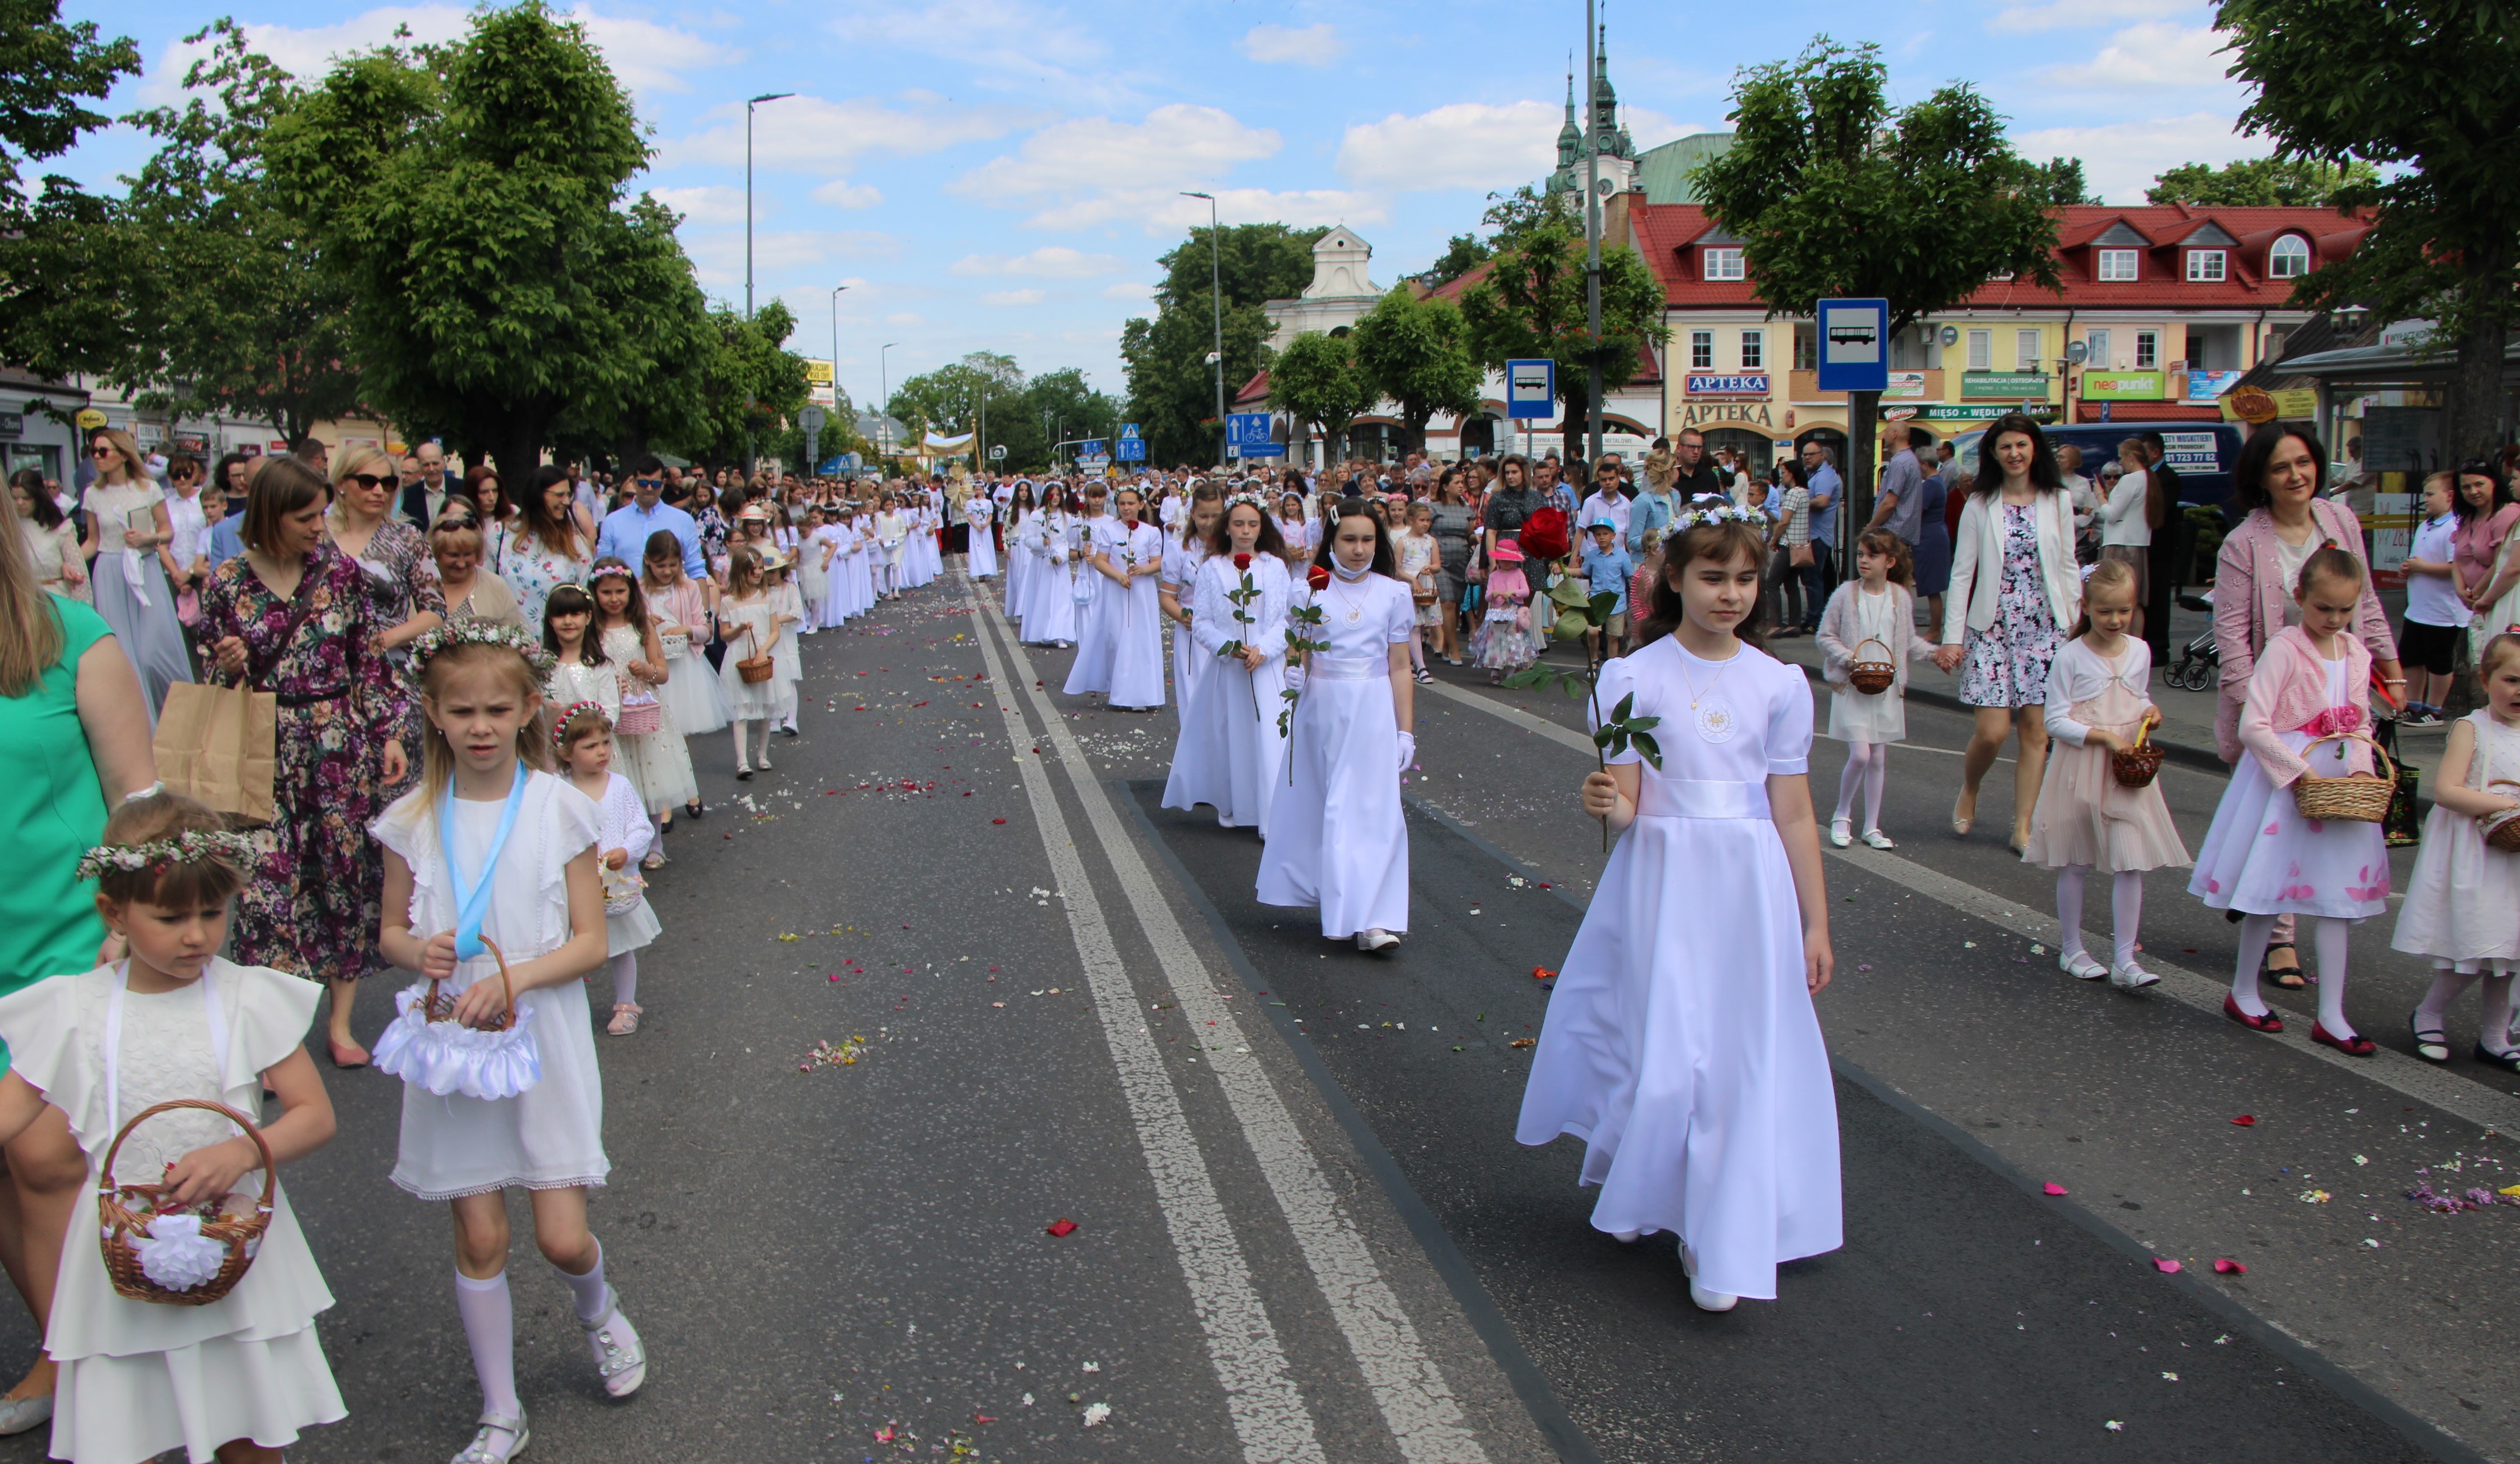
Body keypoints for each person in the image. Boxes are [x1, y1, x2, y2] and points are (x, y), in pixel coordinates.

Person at [1516, 503, 1839, 1314]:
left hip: (1747, 890)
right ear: (1675, 582)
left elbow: (1793, 810)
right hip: (1663, 881)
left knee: (1731, 1057)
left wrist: (1815, 919)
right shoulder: (1633, 676)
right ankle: (1646, 1182)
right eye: (1712, 577)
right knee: (1664, 1048)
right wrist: (1605, 801)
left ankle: (1712, 1229)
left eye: (1742, 578)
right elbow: (1628, 805)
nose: (1729, 593)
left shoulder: (1778, 684)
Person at [370, 623, 644, 1464]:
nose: (481, 725)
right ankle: (499, 1407)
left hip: (541, 1034)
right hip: (453, 1038)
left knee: (562, 1235)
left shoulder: (559, 804)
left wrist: (514, 979)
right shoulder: (413, 816)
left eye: (497, 707)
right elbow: (387, 930)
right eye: (462, 710)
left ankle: (598, 1309)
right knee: (479, 1233)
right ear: (434, 712)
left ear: (531, 706)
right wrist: (419, 953)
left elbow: (593, 941)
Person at [0, 793, 343, 1463]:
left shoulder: (247, 996)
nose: (197, 935)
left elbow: (314, 1115)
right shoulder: (73, 1009)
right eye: (171, 916)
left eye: (212, 913)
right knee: (127, 1433)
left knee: (247, 1432)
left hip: (232, 1245)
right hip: (119, 1260)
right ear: (114, 913)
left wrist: (243, 1148)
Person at [0, 505, 158, 1430]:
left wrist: (129, 925)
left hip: (63, 942)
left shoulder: (74, 639)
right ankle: (63, 1355)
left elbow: (137, 800)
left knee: (45, 1153)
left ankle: (112, 1388)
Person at [201, 456, 409, 1069]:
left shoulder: (339, 574)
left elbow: (365, 660)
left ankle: (340, 1023)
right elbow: (207, 678)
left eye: (321, 513)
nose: (318, 525)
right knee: (267, 896)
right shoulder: (229, 582)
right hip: (259, 745)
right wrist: (227, 662)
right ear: (269, 515)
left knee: (342, 880)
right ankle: (275, 1040)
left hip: (334, 746)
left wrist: (388, 732)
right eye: (304, 516)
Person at [2209, 422, 2402, 996]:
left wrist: (2388, 668)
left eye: (2303, 463)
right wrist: (2263, 709)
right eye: (2280, 467)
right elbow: (2233, 636)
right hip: (2277, 707)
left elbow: (2362, 604)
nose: (2296, 475)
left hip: (2337, 700)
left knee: (2315, 822)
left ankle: (2287, 911)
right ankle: (2280, 935)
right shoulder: (2244, 542)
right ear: (2261, 479)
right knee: (2279, 827)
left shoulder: (2339, 521)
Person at [2190, 546, 2390, 1053]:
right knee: (2268, 888)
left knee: (2338, 898)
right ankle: (2242, 991)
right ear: (2300, 597)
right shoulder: (2285, 647)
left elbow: (2361, 719)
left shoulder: (2357, 653)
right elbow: (2254, 724)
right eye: (2325, 608)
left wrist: (2362, 770)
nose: (2335, 619)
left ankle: (2332, 1014)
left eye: (2346, 609)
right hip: (2287, 782)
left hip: (2339, 784)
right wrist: (2298, 773)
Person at [1258, 499, 1416, 952]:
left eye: (1368, 540)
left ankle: (1373, 918)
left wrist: (1405, 729)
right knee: (1329, 806)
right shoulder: (1308, 589)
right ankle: (1338, 899)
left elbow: (1400, 665)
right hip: (1323, 707)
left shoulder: (1393, 593)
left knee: (1374, 809)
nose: (1359, 549)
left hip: (1371, 707)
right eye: (1349, 539)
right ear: (1331, 540)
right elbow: (1299, 647)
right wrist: (1295, 670)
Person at [2023, 560, 2190, 990]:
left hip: (2125, 771)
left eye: (2125, 610)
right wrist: (2103, 737)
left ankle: (2125, 959)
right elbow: (2055, 722)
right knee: (2076, 861)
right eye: (2105, 612)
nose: (2116, 620)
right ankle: (2072, 947)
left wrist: (2149, 713)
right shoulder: (2070, 656)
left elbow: (2138, 697)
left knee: (2130, 861)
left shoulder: (2139, 650)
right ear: (2087, 607)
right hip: (2083, 767)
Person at [1934, 414, 2081, 853]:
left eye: (2021, 444)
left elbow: (2069, 564)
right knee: (1993, 731)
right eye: (2005, 447)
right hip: (1992, 626)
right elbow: (1963, 573)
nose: (2015, 454)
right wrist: (1952, 636)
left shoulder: (2058, 499)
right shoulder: (1981, 503)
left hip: (2046, 625)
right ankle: (1971, 787)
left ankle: (2023, 824)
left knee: (2037, 731)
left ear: (2035, 448)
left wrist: (2076, 623)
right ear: (1994, 454)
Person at [2393, 632, 2520, 1071]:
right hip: (2478, 854)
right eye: (2511, 679)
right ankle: (2428, 1012)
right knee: (2473, 949)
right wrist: (2508, 804)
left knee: (2509, 953)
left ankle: (2495, 1036)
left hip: (2515, 858)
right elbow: (2447, 791)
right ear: (2486, 680)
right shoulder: (2472, 727)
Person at [1163, 496, 1294, 831]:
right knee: (1231, 737)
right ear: (1227, 527)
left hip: (1264, 666)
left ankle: (1270, 817)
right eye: (1238, 523)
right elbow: (1202, 620)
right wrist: (1230, 646)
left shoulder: (1274, 567)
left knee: (1267, 737)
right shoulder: (1212, 568)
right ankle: (1234, 804)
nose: (1246, 531)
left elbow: (1284, 619)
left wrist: (1263, 649)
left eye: (1252, 524)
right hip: (1228, 669)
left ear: (1262, 527)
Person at [1814, 531, 1936, 850]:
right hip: (1854, 686)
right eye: (1860, 555)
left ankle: (1872, 826)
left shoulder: (1900, 597)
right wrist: (1848, 659)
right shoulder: (1845, 593)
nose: (1863, 561)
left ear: (1890, 562)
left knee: (1879, 758)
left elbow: (1907, 641)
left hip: (1885, 687)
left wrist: (1935, 653)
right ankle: (1842, 815)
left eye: (1871, 555)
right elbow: (1825, 636)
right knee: (1861, 754)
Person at [550, 701, 659, 1037]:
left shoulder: (620, 787)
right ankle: (567, 1010)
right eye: (590, 746)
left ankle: (626, 1004)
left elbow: (642, 828)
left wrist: (626, 851)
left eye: (605, 743)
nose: (602, 752)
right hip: (572, 885)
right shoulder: (558, 790)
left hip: (615, 886)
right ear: (566, 753)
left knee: (621, 946)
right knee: (567, 948)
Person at [77, 429, 194, 723]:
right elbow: (93, 540)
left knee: (153, 651)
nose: (98, 457)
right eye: (94, 451)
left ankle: (178, 717)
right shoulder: (93, 493)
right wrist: (68, 563)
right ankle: (140, 726)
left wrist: (148, 537)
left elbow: (167, 530)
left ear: (122, 454)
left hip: (145, 568)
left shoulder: (147, 488)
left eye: (104, 451)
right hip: (110, 572)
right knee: (123, 656)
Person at [589, 560, 695, 859]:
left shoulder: (642, 625)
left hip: (643, 709)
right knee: (622, 778)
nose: (613, 598)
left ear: (631, 590)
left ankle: (656, 844)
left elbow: (662, 673)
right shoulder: (593, 628)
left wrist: (645, 669)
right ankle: (620, 844)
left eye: (620, 591)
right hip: (611, 712)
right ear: (595, 593)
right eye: (606, 592)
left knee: (651, 778)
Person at [2395, 472, 2468, 729]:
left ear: (2449, 496)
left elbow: (2455, 567)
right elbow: (2420, 561)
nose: (2424, 500)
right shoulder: (2425, 525)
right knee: (2411, 657)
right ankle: (2413, 703)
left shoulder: (2454, 527)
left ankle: (2435, 709)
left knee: (2438, 660)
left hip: (2443, 611)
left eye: (2430, 494)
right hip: (2418, 608)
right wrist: (2409, 569)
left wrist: (2423, 567)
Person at [715, 546, 785, 779]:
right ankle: (742, 761)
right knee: (741, 711)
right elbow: (724, 634)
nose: (758, 573)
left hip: (761, 656)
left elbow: (775, 631)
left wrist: (764, 650)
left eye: (760, 568)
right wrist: (738, 629)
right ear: (740, 571)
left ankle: (762, 754)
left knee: (765, 708)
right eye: (752, 569)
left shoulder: (766, 598)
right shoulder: (728, 602)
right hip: (738, 657)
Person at [1096, 487, 1168, 713]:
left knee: (1141, 638)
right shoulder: (1108, 530)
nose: (1127, 508)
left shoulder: (1151, 532)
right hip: (1116, 590)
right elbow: (1100, 561)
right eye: (1122, 504)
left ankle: (1142, 694)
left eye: (1131, 503)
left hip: (1142, 591)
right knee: (1118, 637)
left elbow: (1158, 562)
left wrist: (1144, 570)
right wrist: (1118, 575)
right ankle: (1120, 692)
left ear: (1140, 505)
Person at [1159, 483, 1223, 723]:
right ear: (1192, 514)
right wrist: (1184, 616)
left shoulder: (1232, 549)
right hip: (1193, 634)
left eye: (1216, 516)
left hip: (1227, 630)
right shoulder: (1178, 550)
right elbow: (1166, 598)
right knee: (1195, 701)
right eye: (1203, 516)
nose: (1209, 522)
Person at [2449, 459, 2520, 668]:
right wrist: (2461, 589)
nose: (2473, 491)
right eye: (2466, 487)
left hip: (2500, 598)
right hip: (2481, 601)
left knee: (2502, 658)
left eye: (2479, 484)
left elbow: (2508, 565)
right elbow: (2458, 557)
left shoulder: (2509, 514)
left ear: (2493, 482)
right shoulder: (2467, 517)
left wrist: (2480, 596)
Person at [505, 465, 595, 630]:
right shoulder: (502, 535)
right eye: (560, 495)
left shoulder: (576, 543)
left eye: (569, 495)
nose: (566, 501)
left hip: (559, 645)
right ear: (538, 495)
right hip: (510, 644)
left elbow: (585, 598)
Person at [2097, 439, 2157, 640]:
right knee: (2135, 600)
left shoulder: (2130, 480)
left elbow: (2112, 514)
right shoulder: (2149, 478)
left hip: (2119, 543)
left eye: (2122, 458)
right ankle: (2136, 643)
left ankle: (2119, 643)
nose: (2122, 463)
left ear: (2131, 456)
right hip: (2138, 542)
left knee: (2116, 595)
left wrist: (2100, 497)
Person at [431, 517, 524, 629]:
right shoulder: (421, 586)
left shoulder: (496, 585)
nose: (461, 564)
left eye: (467, 554)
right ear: (436, 554)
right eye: (453, 555)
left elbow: (519, 634)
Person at [11, 470, 87, 604]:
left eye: (26, 498)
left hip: (56, 600)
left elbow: (78, 572)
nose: (20, 503)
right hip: (20, 601)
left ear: (38, 496)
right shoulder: (7, 528)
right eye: (15, 498)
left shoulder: (58, 526)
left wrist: (80, 611)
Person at [1020, 485, 1079, 648]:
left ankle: (1060, 634)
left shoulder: (1067, 518)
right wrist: (1041, 543)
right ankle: (1041, 632)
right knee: (1043, 598)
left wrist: (1062, 556)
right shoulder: (1036, 515)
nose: (1054, 498)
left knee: (1061, 600)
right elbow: (1028, 539)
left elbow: (1071, 543)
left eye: (1058, 495)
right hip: (1042, 563)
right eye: (1051, 495)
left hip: (1060, 564)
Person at [1764, 459, 1817, 636]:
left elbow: (1785, 520)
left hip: (1788, 544)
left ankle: (1775, 624)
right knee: (1791, 585)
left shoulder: (1793, 493)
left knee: (1771, 583)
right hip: (1801, 546)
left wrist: (1774, 539)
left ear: (1792, 474)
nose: (1782, 477)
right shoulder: (1805, 493)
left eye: (1784, 473)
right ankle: (1794, 624)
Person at [1472, 541, 1537, 680]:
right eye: (1504, 560)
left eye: (1510, 560)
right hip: (1497, 614)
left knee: (1513, 643)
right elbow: (1487, 596)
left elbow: (1526, 591)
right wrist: (1493, 594)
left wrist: (1513, 592)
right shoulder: (1494, 575)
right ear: (1499, 560)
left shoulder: (1518, 573)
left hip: (1513, 613)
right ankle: (1495, 670)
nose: (1507, 563)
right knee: (1496, 642)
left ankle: (1511, 673)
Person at [1578, 520, 1634, 662]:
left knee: (1613, 636)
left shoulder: (1622, 556)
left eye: (1605, 534)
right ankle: (1594, 659)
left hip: (1617, 602)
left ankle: (1612, 665)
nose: (1601, 537)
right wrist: (1563, 569)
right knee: (1591, 632)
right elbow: (1583, 571)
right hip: (1596, 601)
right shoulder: (1592, 555)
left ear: (1613, 535)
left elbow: (1631, 577)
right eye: (1598, 535)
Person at [965, 488, 999, 579]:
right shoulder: (970, 503)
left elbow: (990, 515)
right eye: (976, 490)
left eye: (980, 490)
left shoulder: (988, 502)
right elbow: (969, 516)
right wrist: (977, 526)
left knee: (986, 548)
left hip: (985, 528)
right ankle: (979, 571)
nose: (978, 492)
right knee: (977, 549)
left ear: (983, 490)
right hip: (975, 529)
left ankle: (988, 569)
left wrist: (986, 524)